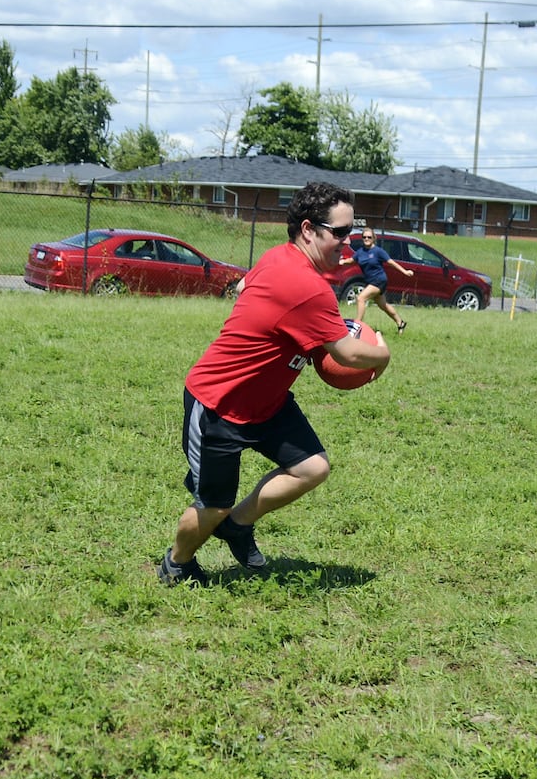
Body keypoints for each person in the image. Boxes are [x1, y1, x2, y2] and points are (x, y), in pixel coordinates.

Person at [160, 181, 391, 585]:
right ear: (308, 230)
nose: (348, 242)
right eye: (339, 232)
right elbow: (350, 355)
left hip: (267, 402)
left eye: (350, 231)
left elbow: (245, 287)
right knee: (213, 505)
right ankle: (176, 564)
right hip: (219, 404)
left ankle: (238, 525)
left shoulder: (279, 258)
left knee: (312, 467)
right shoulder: (306, 285)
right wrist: (383, 356)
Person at [345, 229, 413, 333]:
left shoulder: (378, 251)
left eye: (369, 237)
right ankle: (400, 323)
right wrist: (340, 262)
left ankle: (357, 325)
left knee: (360, 298)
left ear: (373, 239)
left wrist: (405, 271)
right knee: (383, 305)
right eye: (364, 237)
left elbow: (391, 262)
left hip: (379, 280)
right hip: (371, 282)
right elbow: (351, 260)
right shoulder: (360, 252)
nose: (366, 239)